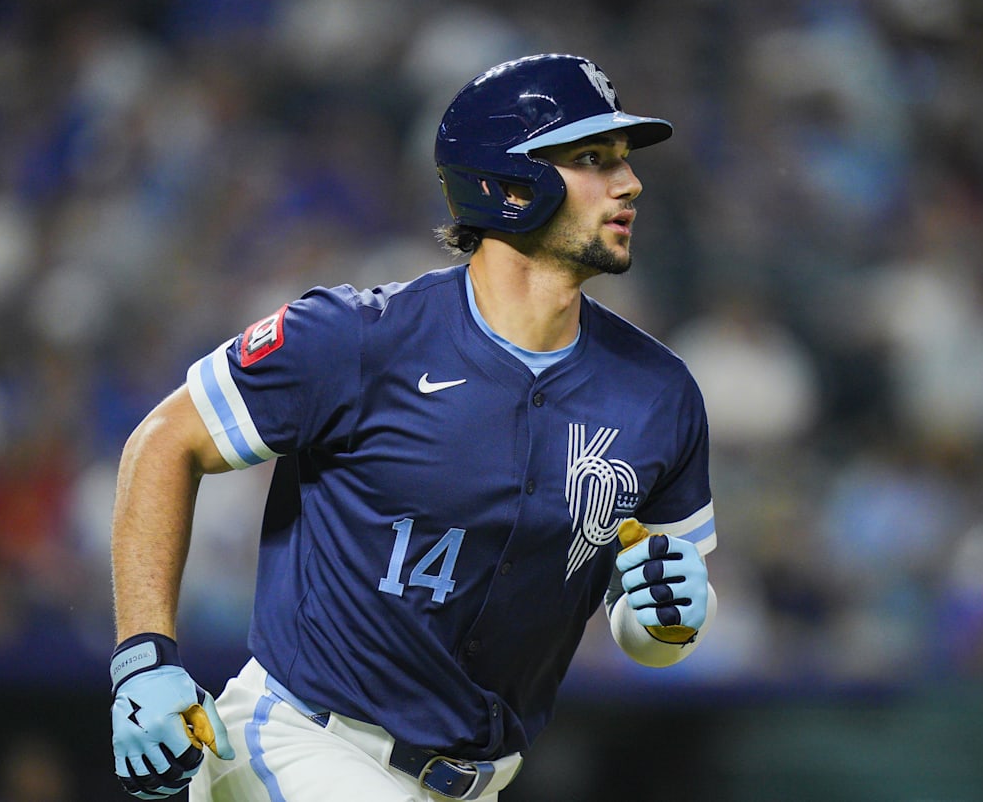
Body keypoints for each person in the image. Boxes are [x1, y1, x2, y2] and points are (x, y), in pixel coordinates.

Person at [108, 54, 717, 802]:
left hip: (477, 784)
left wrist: (666, 622)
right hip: (303, 743)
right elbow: (164, 441)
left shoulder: (659, 394)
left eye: (622, 161)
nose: (630, 184)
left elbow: (646, 622)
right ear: (507, 182)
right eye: (592, 159)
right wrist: (143, 659)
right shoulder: (358, 339)